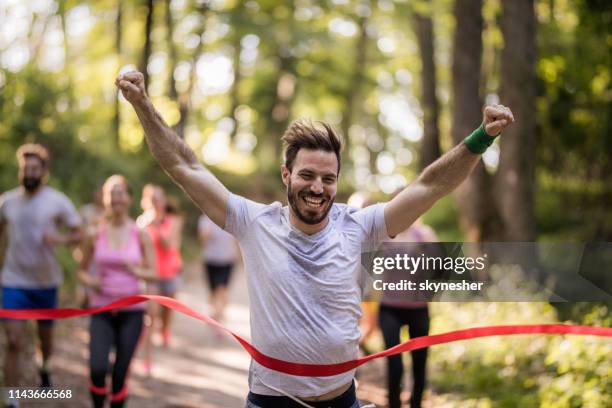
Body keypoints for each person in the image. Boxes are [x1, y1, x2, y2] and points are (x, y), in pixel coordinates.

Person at [116, 70, 514, 408]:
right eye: (307, 175)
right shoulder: (254, 222)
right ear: (286, 175)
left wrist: (481, 137)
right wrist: (141, 104)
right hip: (270, 399)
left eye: (328, 179)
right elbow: (185, 165)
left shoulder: (361, 226)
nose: (318, 187)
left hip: (341, 399)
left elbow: (429, 186)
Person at [0, 143, 81, 405]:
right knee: (13, 341)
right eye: (26, 168)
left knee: (45, 341)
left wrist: (59, 238)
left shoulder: (57, 201)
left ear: (44, 171)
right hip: (13, 282)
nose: (30, 173)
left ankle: (44, 368)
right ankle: (13, 399)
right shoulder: (7, 202)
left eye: (35, 168)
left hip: (46, 283)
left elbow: (80, 234)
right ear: (20, 170)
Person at [78, 175, 157, 408]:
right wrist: (91, 283)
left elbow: (154, 273)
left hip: (132, 311)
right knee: (98, 368)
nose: (116, 198)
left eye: (120, 192)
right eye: (111, 193)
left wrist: (135, 270)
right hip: (101, 308)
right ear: (105, 199)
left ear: (130, 199)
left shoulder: (141, 234)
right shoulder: (95, 233)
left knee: (120, 373)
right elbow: (81, 271)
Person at [378, 219, 441, 408]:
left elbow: (440, 267)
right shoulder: (382, 234)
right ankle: (394, 404)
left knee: (419, 363)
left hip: (418, 309)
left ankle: (416, 404)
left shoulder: (424, 234)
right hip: (390, 308)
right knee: (394, 364)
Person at [198, 213, 240, 323]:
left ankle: (218, 315)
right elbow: (202, 237)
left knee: (222, 289)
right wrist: (208, 231)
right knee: (213, 290)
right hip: (211, 260)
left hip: (227, 259)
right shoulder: (205, 219)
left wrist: (237, 254)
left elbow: (236, 237)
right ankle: (215, 312)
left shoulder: (230, 218)